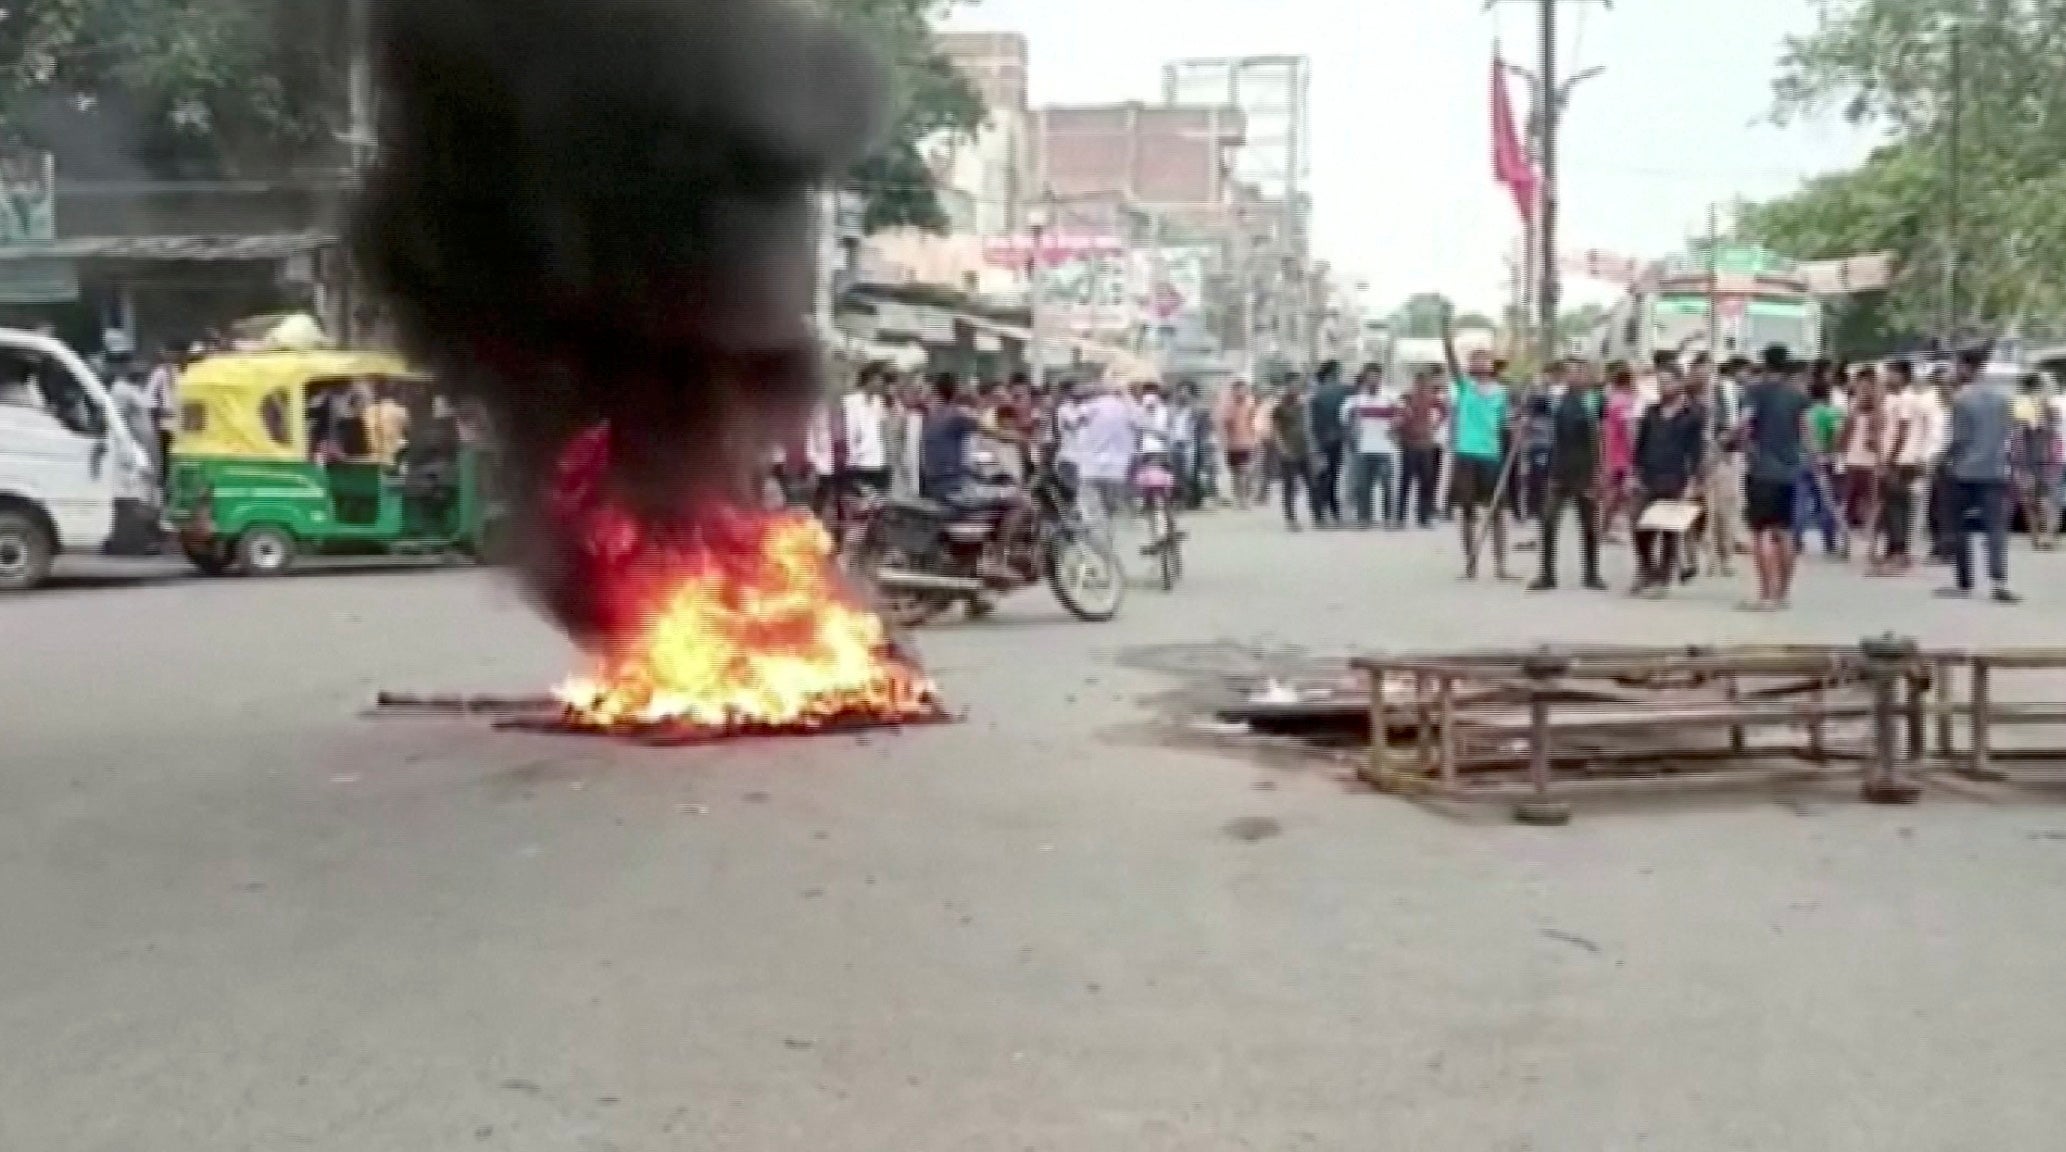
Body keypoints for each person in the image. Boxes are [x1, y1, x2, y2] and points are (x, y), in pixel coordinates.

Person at [1737, 344, 1815, 611]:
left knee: (1761, 533)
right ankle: (1783, 593)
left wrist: (1742, 444)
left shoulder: (1755, 391)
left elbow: (1744, 423)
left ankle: (1765, 593)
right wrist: (1811, 457)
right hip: (1789, 470)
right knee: (1784, 531)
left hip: (1761, 469)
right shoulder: (1797, 395)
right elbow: (1806, 431)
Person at [1937, 358, 2022, 603]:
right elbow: (2009, 432)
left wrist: (1941, 460)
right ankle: (1999, 581)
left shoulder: (1962, 401)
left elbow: (1959, 439)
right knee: (1996, 529)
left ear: (1966, 370)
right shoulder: (2004, 400)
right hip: (1995, 470)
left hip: (1964, 471)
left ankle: (1964, 582)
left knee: (1959, 526)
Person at [1630, 370, 1706, 598]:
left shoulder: (1692, 415)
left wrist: (1694, 480)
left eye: (1668, 382)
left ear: (1679, 384)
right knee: (1641, 527)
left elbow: (1696, 451)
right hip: (1649, 476)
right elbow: (1640, 446)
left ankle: (1663, 579)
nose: (1664, 387)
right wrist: (1634, 474)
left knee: (1669, 531)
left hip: (1676, 478)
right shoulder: (1651, 413)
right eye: (1660, 383)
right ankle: (1646, 569)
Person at [1532, 359, 1606, 591]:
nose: (1575, 378)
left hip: (1584, 470)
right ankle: (1547, 573)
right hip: (1560, 470)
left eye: (1580, 374)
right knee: (1549, 522)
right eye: (1571, 374)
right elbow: (1536, 408)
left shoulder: (1593, 403)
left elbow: (1596, 442)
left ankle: (1592, 573)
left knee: (1589, 525)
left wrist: (1596, 473)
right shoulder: (1558, 401)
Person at [1443, 339, 1513, 580]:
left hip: (1491, 455)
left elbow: (1506, 423)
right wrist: (1447, 340)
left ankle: (1501, 564)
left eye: (1484, 358)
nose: (1480, 362)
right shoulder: (1464, 386)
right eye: (1475, 359)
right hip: (1466, 453)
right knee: (1467, 511)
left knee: (1497, 512)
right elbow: (1452, 365)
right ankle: (1470, 561)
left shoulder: (1502, 393)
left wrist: (1519, 426)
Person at [1072, 377, 1145, 544]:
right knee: (1110, 507)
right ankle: (1108, 537)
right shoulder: (1126, 407)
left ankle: (1101, 543)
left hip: (1090, 467)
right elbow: (1141, 422)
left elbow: (1075, 421)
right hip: (1117, 467)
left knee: (1091, 511)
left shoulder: (1089, 407)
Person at [1343, 363, 1402, 528]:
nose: (1373, 380)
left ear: (1380, 378)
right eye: (1370, 377)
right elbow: (1346, 421)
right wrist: (1352, 433)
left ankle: (1388, 518)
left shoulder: (1390, 398)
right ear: (1365, 379)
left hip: (1385, 448)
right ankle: (1364, 518)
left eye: (1376, 377)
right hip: (1363, 448)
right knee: (1363, 485)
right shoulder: (1355, 401)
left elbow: (1402, 416)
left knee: (1386, 484)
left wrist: (1395, 425)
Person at [1794, 375, 1845, 558]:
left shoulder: (1803, 413)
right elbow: (1837, 435)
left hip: (1801, 458)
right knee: (1827, 501)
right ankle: (1829, 541)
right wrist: (1832, 452)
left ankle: (1797, 540)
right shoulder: (1833, 413)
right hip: (1825, 459)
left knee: (1799, 501)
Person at [1394, 367, 1445, 528]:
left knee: (1426, 481)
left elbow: (1444, 412)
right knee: (1406, 481)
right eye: (1420, 382)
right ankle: (1401, 516)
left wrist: (1435, 426)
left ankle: (1423, 516)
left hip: (1426, 445)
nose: (1423, 385)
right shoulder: (1407, 397)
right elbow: (1398, 415)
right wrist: (1400, 434)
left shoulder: (1433, 399)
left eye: (1425, 382)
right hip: (1410, 444)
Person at [1306, 360, 1352, 527]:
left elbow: (1310, 421)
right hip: (1336, 440)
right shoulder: (1345, 391)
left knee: (1321, 478)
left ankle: (1320, 514)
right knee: (1332, 477)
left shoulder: (1314, 393)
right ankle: (1333, 512)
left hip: (1320, 441)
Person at [1597, 362, 1638, 541]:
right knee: (1621, 494)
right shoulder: (1625, 402)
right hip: (1622, 455)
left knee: (1615, 494)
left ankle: (1604, 529)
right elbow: (1629, 429)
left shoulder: (1612, 400)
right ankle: (1614, 529)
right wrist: (1635, 452)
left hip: (1611, 451)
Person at [1267, 373, 1314, 531]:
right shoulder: (1280, 407)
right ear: (1287, 386)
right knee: (1290, 486)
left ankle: (1317, 514)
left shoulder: (1304, 405)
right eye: (1292, 384)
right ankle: (1290, 518)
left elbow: (1309, 427)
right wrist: (1281, 447)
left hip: (1305, 449)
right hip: (1289, 449)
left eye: (1298, 384)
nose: (1295, 387)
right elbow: (1276, 430)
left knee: (1312, 483)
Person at [840, 361, 894, 494]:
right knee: (859, 506)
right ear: (869, 379)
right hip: (859, 464)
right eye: (879, 379)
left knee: (879, 505)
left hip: (880, 463)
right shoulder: (849, 402)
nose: (882, 383)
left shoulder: (880, 402)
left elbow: (885, 432)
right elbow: (848, 433)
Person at [1217, 379, 1261, 509]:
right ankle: (1239, 497)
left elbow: (1254, 422)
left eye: (1243, 389)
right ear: (1234, 391)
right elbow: (1225, 424)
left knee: (1245, 471)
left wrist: (1255, 438)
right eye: (1238, 389)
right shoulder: (1228, 405)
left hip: (1246, 442)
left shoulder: (1250, 404)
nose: (1241, 392)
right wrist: (1224, 441)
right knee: (1236, 472)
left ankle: (1244, 499)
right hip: (1232, 444)